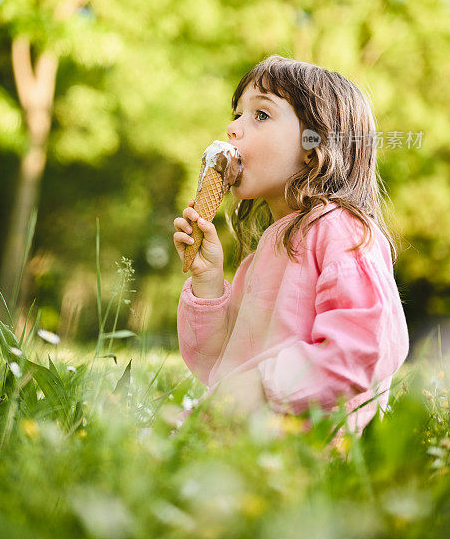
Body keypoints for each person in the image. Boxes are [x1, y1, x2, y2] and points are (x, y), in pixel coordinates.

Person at [172, 55, 409, 439]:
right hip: (250, 444)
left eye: (260, 115)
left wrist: (266, 386)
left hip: (315, 443)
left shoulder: (342, 231)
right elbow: (219, 365)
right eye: (237, 114)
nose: (233, 128)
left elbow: (366, 346)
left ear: (313, 146)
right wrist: (209, 283)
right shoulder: (262, 256)